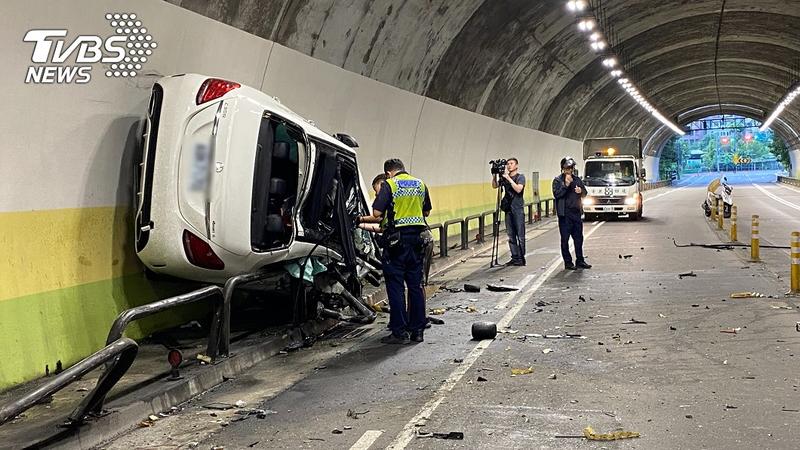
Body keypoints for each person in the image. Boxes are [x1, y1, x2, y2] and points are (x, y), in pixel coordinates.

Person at [358, 159, 432, 344]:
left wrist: (360, 218)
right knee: (416, 287)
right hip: (417, 240)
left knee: (396, 287)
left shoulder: (389, 184)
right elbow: (427, 212)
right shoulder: (420, 183)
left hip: (396, 243)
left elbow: (376, 213)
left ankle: (399, 332)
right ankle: (417, 331)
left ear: (389, 173)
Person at [553, 157, 592, 270]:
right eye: (567, 168)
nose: (569, 170)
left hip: (576, 213)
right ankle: (568, 262)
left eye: (571, 168)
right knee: (565, 239)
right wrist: (566, 185)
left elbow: (585, 192)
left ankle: (580, 260)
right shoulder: (557, 180)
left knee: (578, 238)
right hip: (565, 215)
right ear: (563, 169)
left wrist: (581, 192)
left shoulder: (577, 180)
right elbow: (557, 194)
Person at [491, 158, 526, 266]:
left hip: (518, 209)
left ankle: (521, 258)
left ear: (516, 165)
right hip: (508, 209)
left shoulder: (520, 177)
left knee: (520, 235)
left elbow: (518, 189)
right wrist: (494, 175)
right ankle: (514, 256)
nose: (509, 166)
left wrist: (509, 179)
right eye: (508, 164)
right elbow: (495, 185)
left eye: (511, 164)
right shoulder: (505, 177)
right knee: (511, 235)